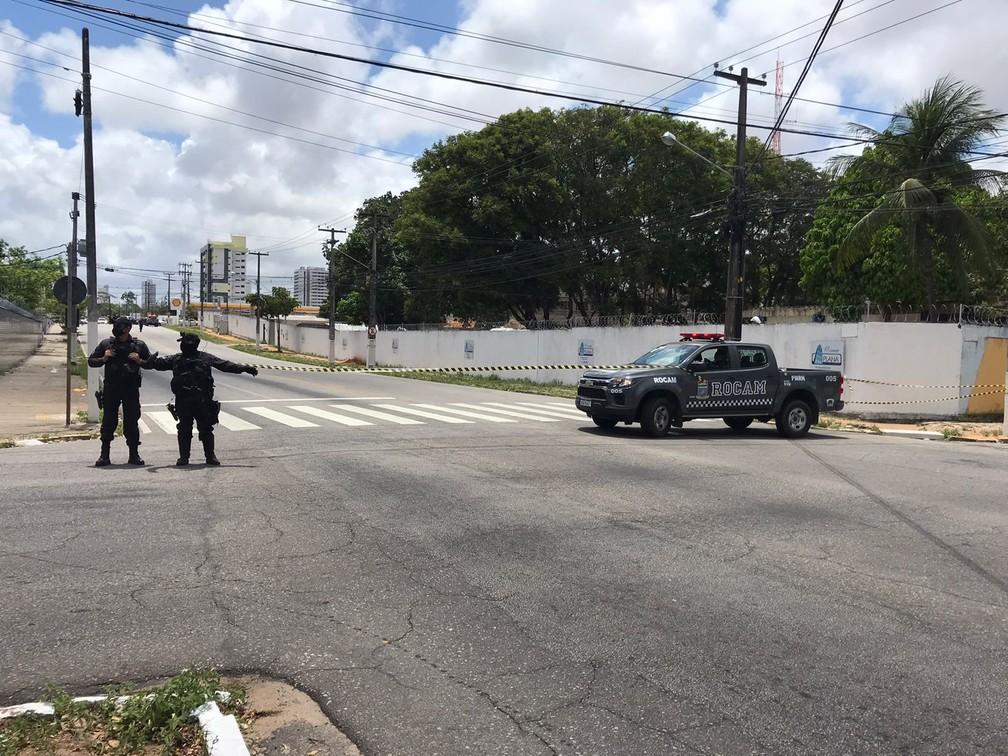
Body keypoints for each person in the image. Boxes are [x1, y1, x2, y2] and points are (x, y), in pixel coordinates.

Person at [146, 332, 258, 466]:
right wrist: (146, 360)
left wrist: (244, 368)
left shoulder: (204, 358)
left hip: (203, 401)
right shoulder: (176, 359)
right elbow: (158, 364)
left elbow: (226, 365)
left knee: (205, 429)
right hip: (184, 400)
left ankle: (210, 456)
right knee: (184, 429)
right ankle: (184, 457)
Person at [88, 315, 152, 467]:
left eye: (120, 326)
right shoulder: (106, 344)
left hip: (130, 389)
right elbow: (91, 361)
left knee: (131, 421)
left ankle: (134, 454)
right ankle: (104, 455)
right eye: (115, 325)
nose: (116, 329)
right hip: (112, 388)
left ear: (128, 328)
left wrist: (140, 361)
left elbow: (151, 364)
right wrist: (104, 358)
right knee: (109, 421)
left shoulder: (139, 345)